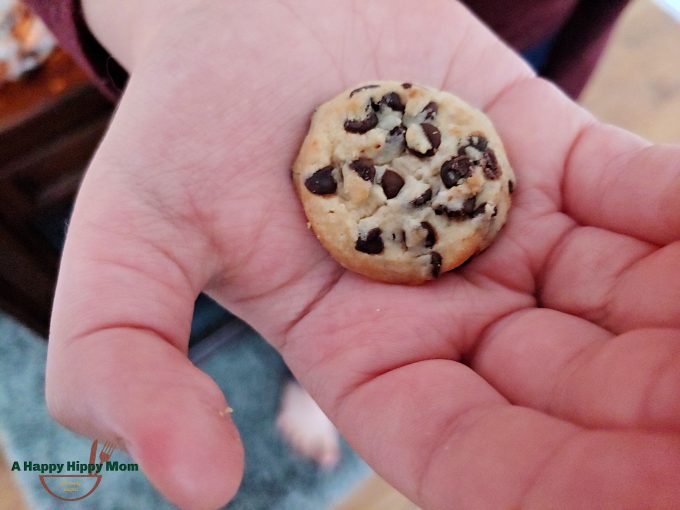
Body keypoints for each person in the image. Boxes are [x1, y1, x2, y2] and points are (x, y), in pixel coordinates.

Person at [26, 0, 680, 508]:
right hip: (288, 35)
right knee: (290, 285)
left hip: (512, 45)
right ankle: (305, 371)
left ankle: (309, 384)